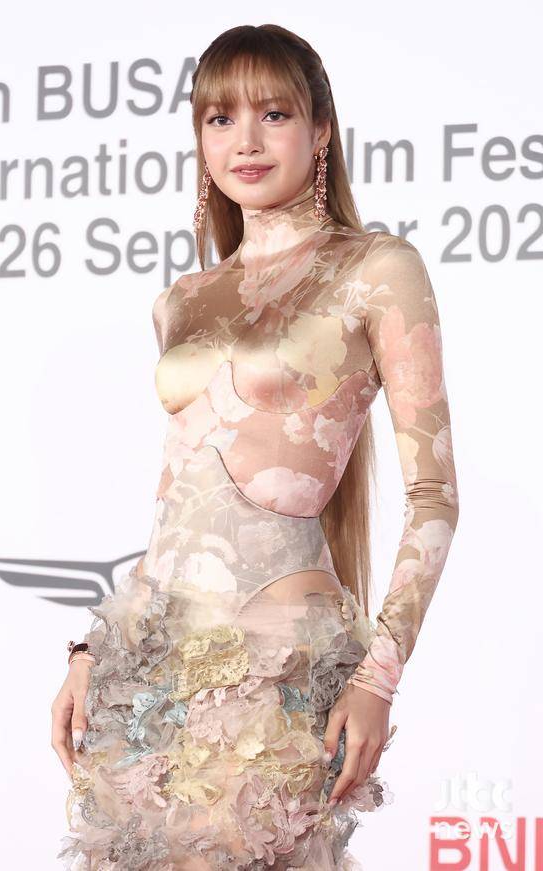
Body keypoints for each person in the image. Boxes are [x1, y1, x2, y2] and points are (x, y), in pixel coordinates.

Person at [51, 23, 459, 871]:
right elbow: (179, 502)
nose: (245, 141)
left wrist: (378, 677)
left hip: (273, 664)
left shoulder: (378, 268)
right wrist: (95, 649)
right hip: (148, 667)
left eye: (273, 114)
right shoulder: (182, 299)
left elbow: (434, 497)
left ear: (321, 130)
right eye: (220, 118)